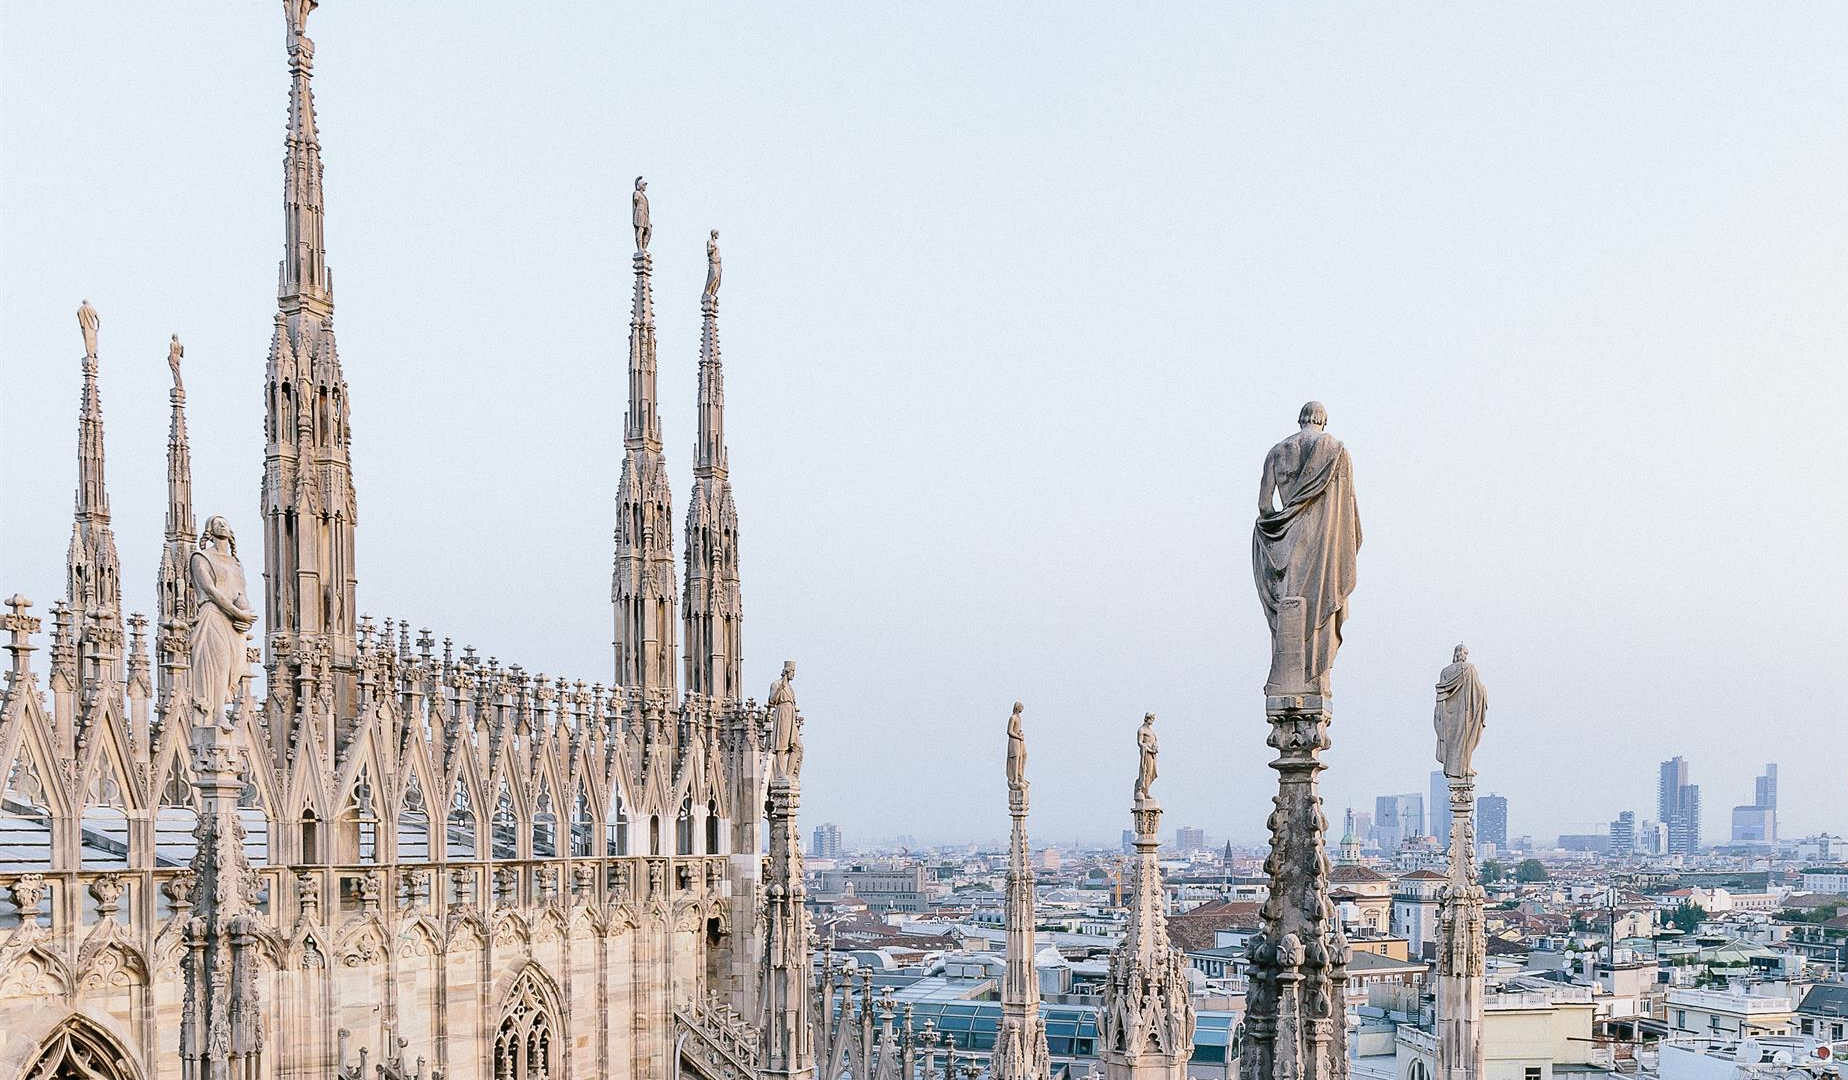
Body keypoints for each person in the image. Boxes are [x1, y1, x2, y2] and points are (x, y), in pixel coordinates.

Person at [1252, 401, 1362, 694]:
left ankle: (1287, 678)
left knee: (1288, 613)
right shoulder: (1337, 451)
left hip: (1287, 545)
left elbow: (1264, 506)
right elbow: (1348, 516)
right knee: (1318, 609)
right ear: (1323, 421)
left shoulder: (1278, 452)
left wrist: (1283, 520)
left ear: (1301, 420)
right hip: (1321, 547)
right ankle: (1314, 676)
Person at [188, 515, 256, 729]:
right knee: (219, 663)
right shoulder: (200, 557)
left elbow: (240, 592)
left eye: (225, 522)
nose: (222, 525)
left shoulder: (235, 563)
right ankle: (218, 714)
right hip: (213, 615)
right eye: (217, 523)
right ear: (209, 530)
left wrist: (245, 616)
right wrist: (238, 612)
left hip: (234, 622)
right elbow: (210, 590)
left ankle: (221, 711)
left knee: (232, 668)